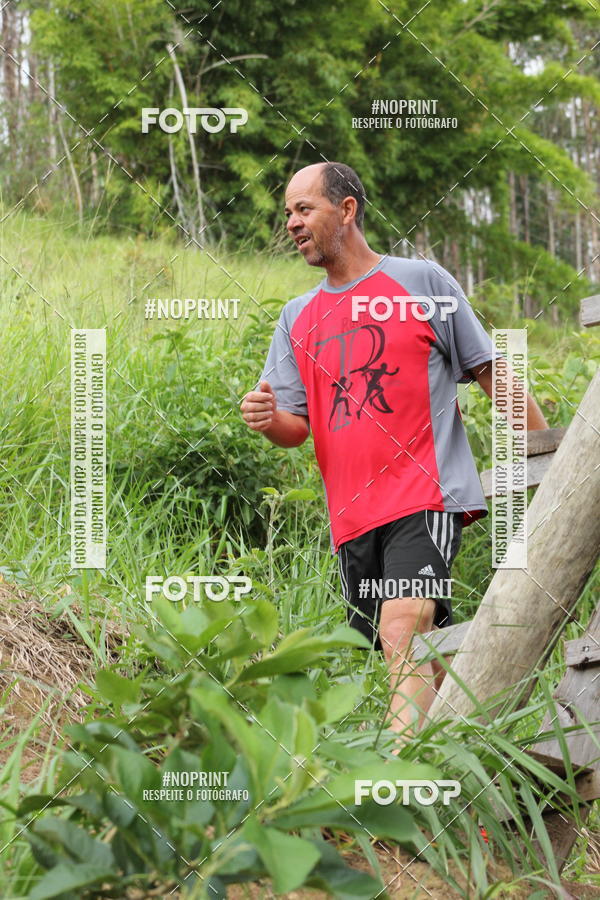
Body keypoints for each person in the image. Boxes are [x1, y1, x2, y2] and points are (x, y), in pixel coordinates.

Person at [240, 161, 548, 742]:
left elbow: (490, 371)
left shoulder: (421, 282)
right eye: (287, 213)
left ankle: (398, 780)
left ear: (347, 209)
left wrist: (547, 464)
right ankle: (483, 758)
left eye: (304, 209)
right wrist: (266, 419)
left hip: (424, 494)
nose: (292, 224)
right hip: (353, 517)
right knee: (424, 654)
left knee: (402, 626)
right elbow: (294, 427)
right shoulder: (297, 317)